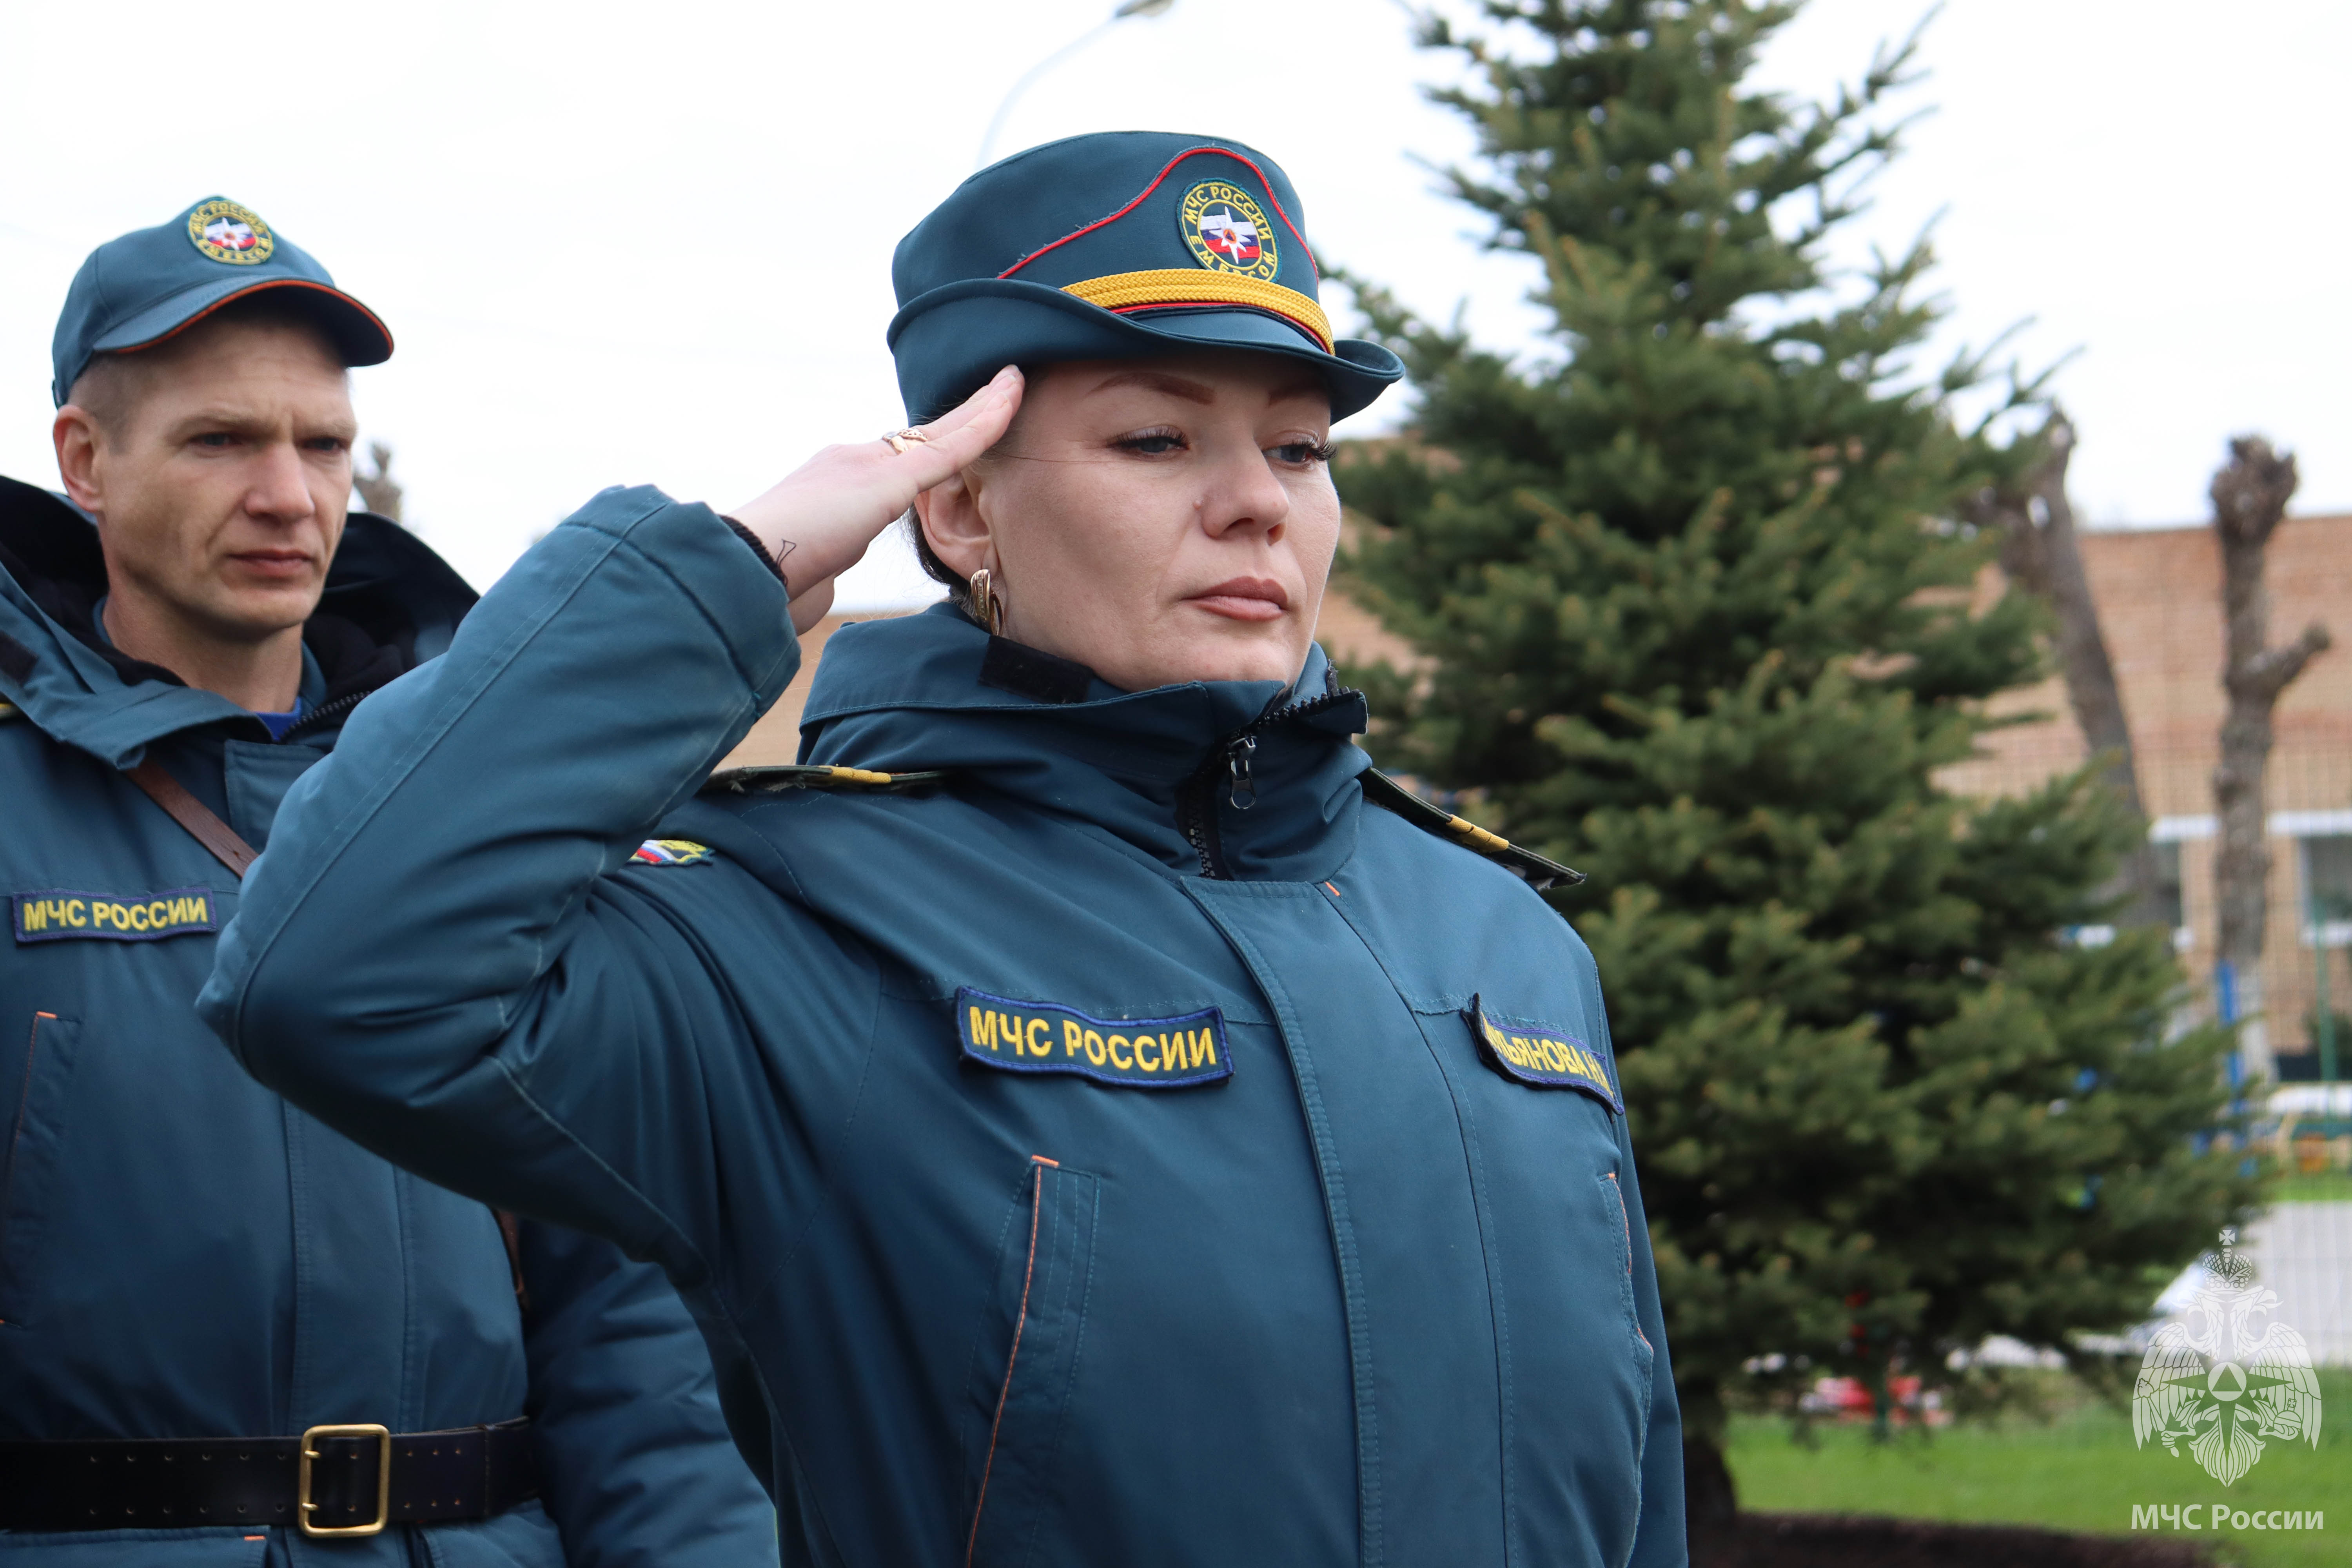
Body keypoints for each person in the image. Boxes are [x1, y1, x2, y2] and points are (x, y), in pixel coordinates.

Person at [203, 134, 1685, 1566]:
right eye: (1158, 439)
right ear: (963, 507)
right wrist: (725, 577)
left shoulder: (1502, 939)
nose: (1256, 502)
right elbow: (334, 979)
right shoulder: (797, 925)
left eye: (1299, 448)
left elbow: (1637, 1481)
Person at [0, 198, 778, 1566]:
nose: (289, 496)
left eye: (323, 444)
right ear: (86, 460)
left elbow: (632, 1329)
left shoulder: (494, 810)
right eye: (220, 440)